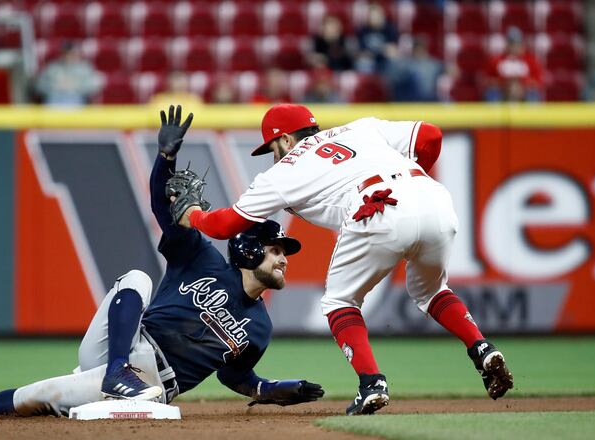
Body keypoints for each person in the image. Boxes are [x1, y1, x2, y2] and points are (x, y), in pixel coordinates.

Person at [0, 105, 323, 420]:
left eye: (283, 251)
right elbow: (163, 207)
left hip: (155, 385)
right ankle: (115, 372)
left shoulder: (260, 328)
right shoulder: (201, 257)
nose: (284, 258)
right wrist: (165, 160)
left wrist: (275, 389)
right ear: (249, 249)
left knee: (41, 394)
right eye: (277, 249)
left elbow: (234, 376)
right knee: (135, 276)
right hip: (120, 347)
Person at [174, 103, 514, 415]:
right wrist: (409, 185)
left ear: (287, 139)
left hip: (377, 207)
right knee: (431, 291)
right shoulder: (360, 128)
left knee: (340, 301)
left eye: (272, 147)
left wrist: (194, 215)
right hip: (433, 198)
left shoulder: (284, 171)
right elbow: (431, 135)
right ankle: (481, 348)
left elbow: (226, 226)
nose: (273, 156)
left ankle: (372, 384)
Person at [483, 27, 543, 102]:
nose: (514, 47)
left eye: (517, 44)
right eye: (511, 43)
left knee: (533, 96)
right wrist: (505, 83)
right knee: (492, 94)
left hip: (524, 91)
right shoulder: (496, 60)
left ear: (522, 45)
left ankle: (532, 114)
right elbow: (488, 80)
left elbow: (538, 82)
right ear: (507, 45)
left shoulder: (531, 61)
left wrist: (522, 84)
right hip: (502, 91)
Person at [35, 41, 100, 106]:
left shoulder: (85, 69)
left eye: (73, 54)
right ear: (63, 54)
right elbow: (39, 86)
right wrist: (56, 86)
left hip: (77, 100)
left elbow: (94, 87)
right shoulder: (52, 68)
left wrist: (75, 86)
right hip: (54, 99)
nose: (70, 56)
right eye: (68, 54)